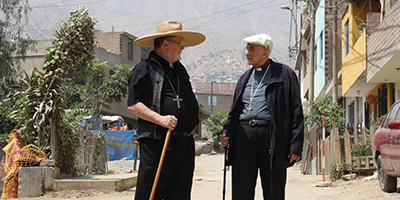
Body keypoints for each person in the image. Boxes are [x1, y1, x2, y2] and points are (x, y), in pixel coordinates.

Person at [219, 33, 304, 200]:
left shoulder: (284, 74)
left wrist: (295, 145)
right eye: (247, 49)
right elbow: (235, 112)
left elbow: (296, 111)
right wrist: (226, 131)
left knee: (273, 190)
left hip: (271, 137)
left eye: (252, 49)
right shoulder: (245, 77)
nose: (247, 53)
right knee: (241, 190)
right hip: (244, 137)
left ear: (265, 52)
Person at [127, 20, 205, 200]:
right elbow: (133, 104)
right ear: (166, 43)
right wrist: (160, 119)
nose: (183, 47)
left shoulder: (180, 70)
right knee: (151, 193)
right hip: (159, 141)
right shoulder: (145, 69)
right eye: (179, 42)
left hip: (184, 143)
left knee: (180, 193)